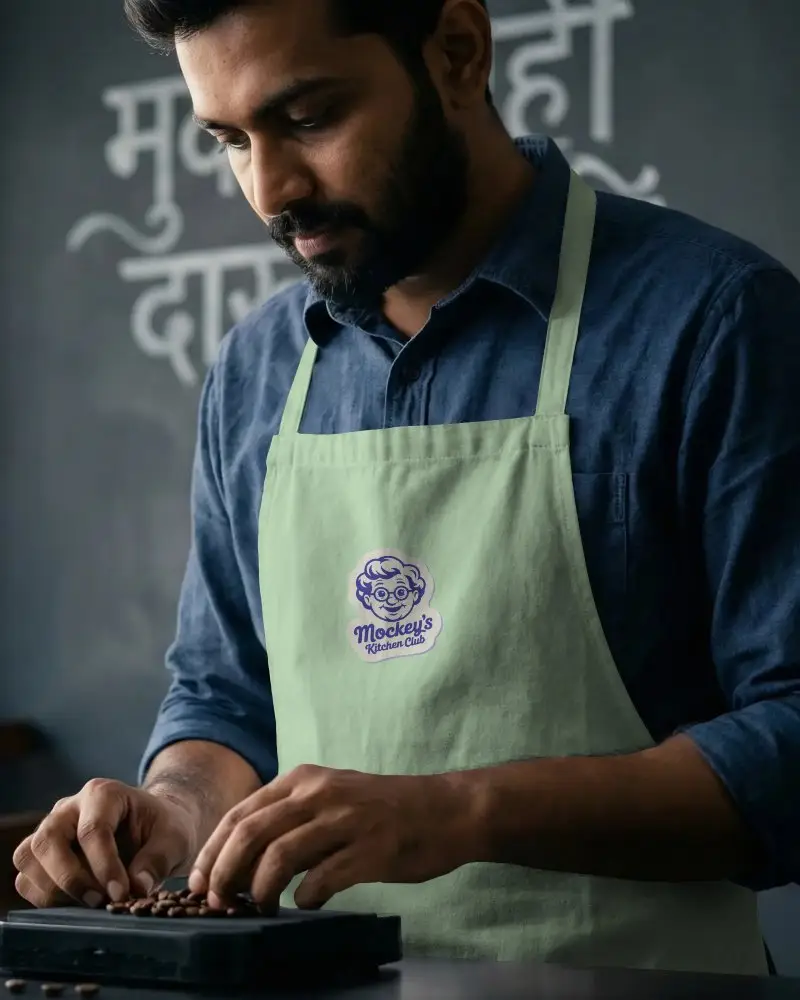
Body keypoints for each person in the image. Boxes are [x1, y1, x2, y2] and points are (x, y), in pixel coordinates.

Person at [13, 0, 800, 975]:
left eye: (307, 119)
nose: (270, 189)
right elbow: (224, 695)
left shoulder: (711, 320)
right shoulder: (257, 369)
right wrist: (172, 811)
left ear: (458, 52)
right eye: (229, 140)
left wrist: (457, 810)